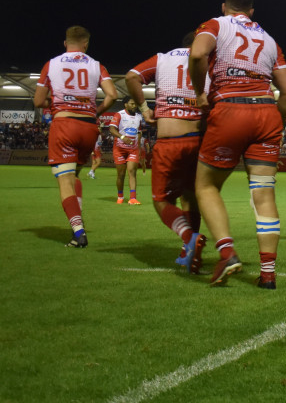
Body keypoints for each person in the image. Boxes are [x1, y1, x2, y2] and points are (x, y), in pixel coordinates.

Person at [188, 0, 286, 288]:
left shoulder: (215, 24)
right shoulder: (269, 39)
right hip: (265, 113)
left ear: (225, 7)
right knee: (263, 196)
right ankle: (268, 275)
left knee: (206, 186)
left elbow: (197, 55)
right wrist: (275, 123)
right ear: (251, 12)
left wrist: (199, 93)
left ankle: (227, 252)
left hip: (230, 109)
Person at [126, 32, 209, 272]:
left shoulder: (163, 59)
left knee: (162, 200)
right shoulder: (208, 62)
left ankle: (189, 239)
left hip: (169, 140)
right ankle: (190, 255)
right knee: (190, 197)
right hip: (198, 141)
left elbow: (132, 77)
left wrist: (145, 108)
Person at [33, 25, 118, 247]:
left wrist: (60, 103)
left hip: (65, 125)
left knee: (65, 181)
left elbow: (38, 101)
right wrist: (95, 112)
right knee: (75, 175)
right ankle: (76, 225)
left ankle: (79, 233)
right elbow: (112, 95)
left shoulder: (51, 64)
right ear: (86, 44)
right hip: (89, 128)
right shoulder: (96, 65)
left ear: (65, 43)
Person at [109, 98, 144, 204]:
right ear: (126, 105)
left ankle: (132, 198)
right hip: (119, 149)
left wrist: (138, 148)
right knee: (121, 174)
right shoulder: (119, 115)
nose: (134, 106)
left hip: (132, 150)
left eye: (135, 104)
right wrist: (123, 137)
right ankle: (120, 196)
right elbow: (111, 129)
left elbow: (139, 132)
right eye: (132, 104)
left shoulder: (139, 117)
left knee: (132, 172)